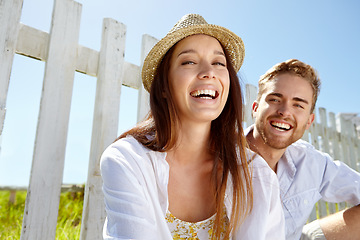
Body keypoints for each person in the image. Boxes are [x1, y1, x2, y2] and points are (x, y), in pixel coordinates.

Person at [100, 13, 285, 240]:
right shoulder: (127, 161)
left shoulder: (258, 174)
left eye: (219, 63)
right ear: (164, 87)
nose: (209, 72)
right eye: (189, 61)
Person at [245, 59, 360, 240]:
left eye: (298, 105)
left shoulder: (311, 162)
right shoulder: (218, 156)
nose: (285, 111)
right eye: (275, 99)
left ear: (309, 121)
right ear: (255, 108)